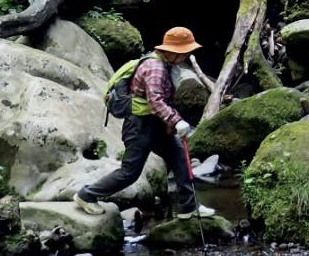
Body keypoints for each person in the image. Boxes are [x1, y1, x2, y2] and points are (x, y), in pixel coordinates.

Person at [73, 27, 216, 220]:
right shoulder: (155, 68)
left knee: (180, 159)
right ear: (172, 52)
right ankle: (86, 195)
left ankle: (189, 207)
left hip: (156, 124)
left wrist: (170, 123)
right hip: (140, 127)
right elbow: (155, 101)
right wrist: (177, 120)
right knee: (129, 173)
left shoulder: (168, 65)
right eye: (185, 52)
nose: (188, 55)